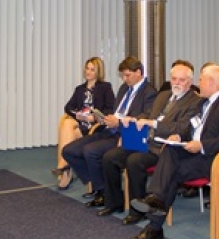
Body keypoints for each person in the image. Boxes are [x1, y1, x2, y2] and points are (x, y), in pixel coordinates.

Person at [129, 64, 219, 239]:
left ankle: (154, 221)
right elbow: (191, 127)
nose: (198, 83)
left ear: (211, 82)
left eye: (201, 80)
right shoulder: (202, 102)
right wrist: (179, 136)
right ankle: (155, 202)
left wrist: (202, 145)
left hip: (214, 158)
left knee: (171, 172)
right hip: (195, 154)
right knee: (170, 149)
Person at [98, 62, 201, 224]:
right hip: (145, 140)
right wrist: (133, 119)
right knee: (110, 157)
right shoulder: (163, 95)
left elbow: (182, 128)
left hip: (164, 147)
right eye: (174, 79)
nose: (177, 83)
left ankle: (138, 211)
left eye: (181, 80)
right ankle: (114, 202)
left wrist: (153, 124)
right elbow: (148, 115)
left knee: (134, 161)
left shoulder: (194, 101)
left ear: (190, 82)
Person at [62, 56, 157, 206]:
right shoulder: (124, 88)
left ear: (138, 72)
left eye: (127, 75)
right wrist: (104, 117)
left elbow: (145, 117)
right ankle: (99, 184)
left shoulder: (149, 92)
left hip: (124, 134)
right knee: (69, 151)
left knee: (90, 151)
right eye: (123, 76)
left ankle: (103, 192)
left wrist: (118, 122)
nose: (124, 79)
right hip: (108, 129)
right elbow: (114, 110)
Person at [52, 57, 115, 189]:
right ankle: (64, 166)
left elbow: (110, 109)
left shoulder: (105, 87)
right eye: (87, 68)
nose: (88, 72)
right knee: (67, 124)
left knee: (67, 127)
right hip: (81, 125)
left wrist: (94, 117)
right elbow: (68, 107)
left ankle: (64, 168)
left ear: (98, 71)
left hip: (95, 127)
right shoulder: (80, 89)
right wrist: (78, 115)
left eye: (92, 69)